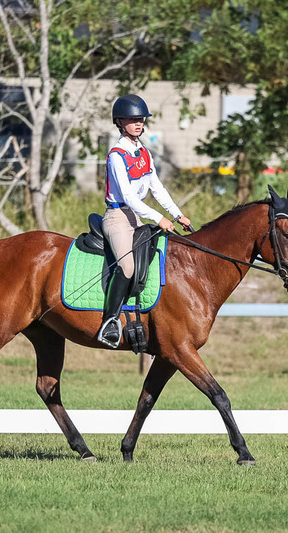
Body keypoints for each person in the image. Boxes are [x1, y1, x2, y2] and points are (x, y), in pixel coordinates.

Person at [97, 94, 192, 348]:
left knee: (159, 258)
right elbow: (128, 197)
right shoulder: (116, 155)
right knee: (127, 267)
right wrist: (159, 217)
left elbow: (156, 187)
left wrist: (176, 213)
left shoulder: (144, 152)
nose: (139, 123)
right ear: (119, 122)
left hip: (136, 216)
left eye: (141, 119)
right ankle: (110, 322)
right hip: (118, 217)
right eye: (132, 119)